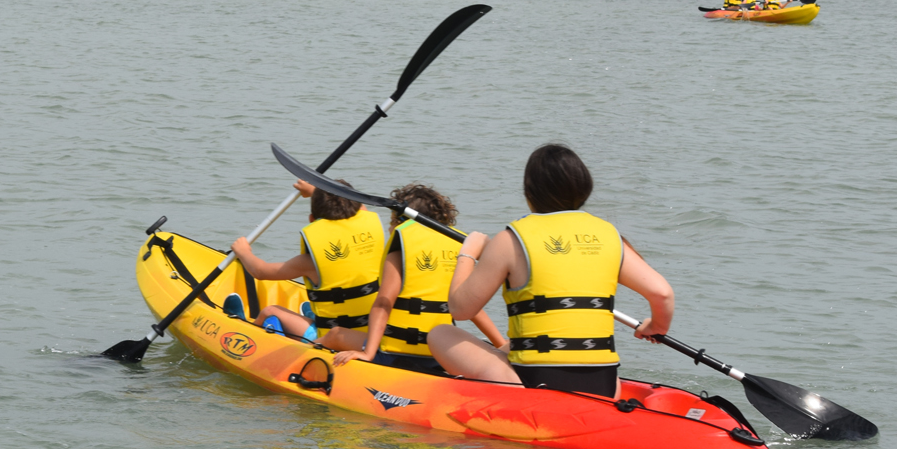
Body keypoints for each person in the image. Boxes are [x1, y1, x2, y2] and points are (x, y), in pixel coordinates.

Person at [425, 144, 676, 397]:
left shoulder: (510, 239)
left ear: (529, 191)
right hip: (605, 383)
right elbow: (662, 294)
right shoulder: (610, 235)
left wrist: (468, 253)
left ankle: (510, 393)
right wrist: (655, 326)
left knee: (440, 333)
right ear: (584, 187)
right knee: (514, 344)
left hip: (536, 382)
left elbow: (460, 309)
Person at [332, 184, 509, 371]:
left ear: (402, 221)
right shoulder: (457, 249)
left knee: (336, 334)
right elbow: (472, 309)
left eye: (392, 221)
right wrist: (499, 344)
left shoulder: (399, 252)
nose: (390, 227)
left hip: (395, 354)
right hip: (440, 354)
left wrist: (368, 353)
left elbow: (384, 304)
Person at [229, 180, 382, 352]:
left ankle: (244, 334)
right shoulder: (372, 232)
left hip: (329, 338)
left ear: (311, 220)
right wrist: (315, 190)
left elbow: (260, 271)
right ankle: (311, 316)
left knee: (270, 311)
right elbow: (356, 203)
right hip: (371, 335)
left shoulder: (308, 262)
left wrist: (243, 251)